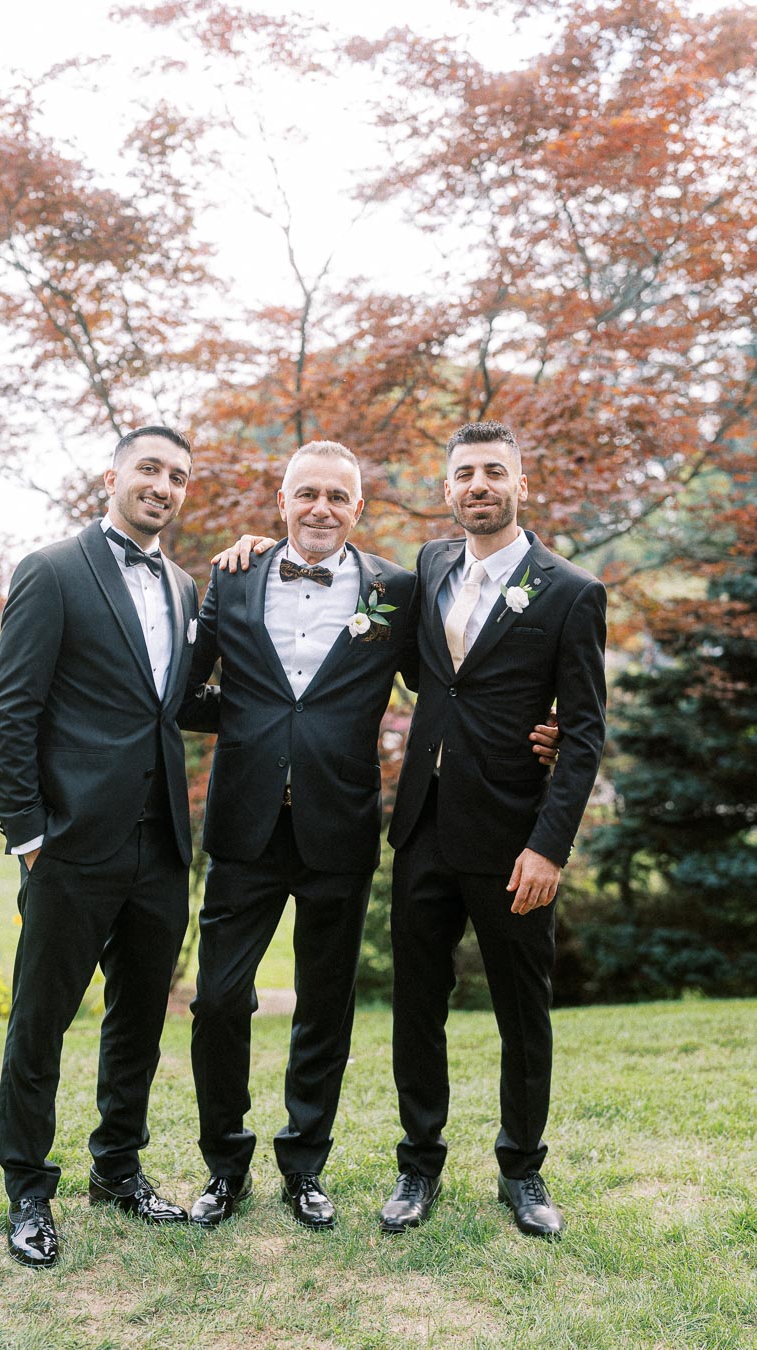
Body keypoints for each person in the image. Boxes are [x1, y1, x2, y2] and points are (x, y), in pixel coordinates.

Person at [183, 441, 558, 1231]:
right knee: (218, 1001)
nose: (321, 508)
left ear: (360, 508)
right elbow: (187, 692)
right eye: (306, 493)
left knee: (326, 1004)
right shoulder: (233, 574)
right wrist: (260, 724)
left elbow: (456, 677)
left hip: (340, 828)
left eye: (338, 497)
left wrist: (542, 728)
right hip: (246, 825)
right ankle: (224, 1165)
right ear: (280, 500)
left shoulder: (397, 587)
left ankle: (304, 1166)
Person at [379, 421, 607, 1240]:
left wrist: (549, 844)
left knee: (522, 1009)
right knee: (416, 1004)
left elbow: (581, 732)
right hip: (423, 828)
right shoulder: (430, 565)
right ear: (447, 489)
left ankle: (522, 1170)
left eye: (494, 473)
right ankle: (418, 1165)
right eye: (465, 474)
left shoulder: (571, 591)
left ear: (520, 484)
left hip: (516, 839)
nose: (479, 485)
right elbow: (424, 671)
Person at [0, 425, 205, 1267]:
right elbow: (12, 712)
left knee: (139, 1021)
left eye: (177, 476)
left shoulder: (185, 588)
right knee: (40, 1025)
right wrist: (31, 837)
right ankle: (29, 1195)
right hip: (70, 845)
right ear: (113, 474)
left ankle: (117, 1171)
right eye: (149, 468)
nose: (162, 485)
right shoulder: (50, 571)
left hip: (160, 848)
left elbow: (175, 704)